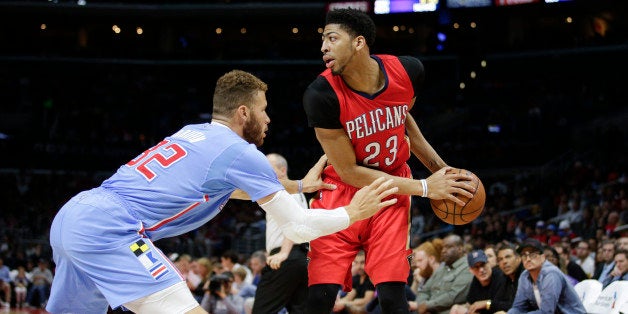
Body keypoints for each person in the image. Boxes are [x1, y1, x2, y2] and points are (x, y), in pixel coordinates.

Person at [46, 69, 400, 314]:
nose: (268, 119)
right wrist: (353, 212)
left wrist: (298, 186)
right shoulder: (242, 152)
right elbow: (297, 227)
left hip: (76, 213)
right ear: (243, 112)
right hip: (112, 228)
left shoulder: (193, 133)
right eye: (263, 111)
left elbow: (227, 190)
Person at [302, 8, 476, 313]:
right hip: (341, 191)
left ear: (358, 43)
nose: (323, 47)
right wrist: (424, 186)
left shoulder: (408, 71)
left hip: (392, 191)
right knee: (320, 296)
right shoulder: (321, 94)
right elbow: (349, 171)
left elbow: (402, 120)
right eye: (323, 40)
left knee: (393, 293)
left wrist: (441, 171)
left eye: (332, 38)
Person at [251, 153, 310, 314]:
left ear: (282, 170)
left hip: (287, 257)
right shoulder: (294, 192)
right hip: (300, 257)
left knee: (262, 311)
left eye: (267, 167)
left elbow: (294, 222)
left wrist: (284, 252)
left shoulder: (285, 191)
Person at [507, 238, 585, 314]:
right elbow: (518, 307)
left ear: (543, 257)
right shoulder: (524, 276)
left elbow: (547, 312)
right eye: (524, 255)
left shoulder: (551, 274)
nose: (528, 259)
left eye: (533, 255)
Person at [412, 234, 473, 314]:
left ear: (460, 249)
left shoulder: (467, 267)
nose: (443, 250)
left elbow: (454, 296)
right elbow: (425, 291)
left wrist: (427, 306)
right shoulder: (443, 266)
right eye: (443, 247)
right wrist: (422, 306)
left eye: (448, 247)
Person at [450, 250, 506, 314]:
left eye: (483, 265)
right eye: (476, 267)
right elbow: (470, 303)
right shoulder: (476, 279)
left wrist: (486, 303)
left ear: (488, 263)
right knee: (456, 308)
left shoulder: (500, 277)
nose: (481, 270)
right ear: (471, 270)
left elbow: (503, 305)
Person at [491, 243, 523, 312]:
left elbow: (518, 305)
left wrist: (487, 303)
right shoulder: (504, 277)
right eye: (500, 259)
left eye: (508, 257)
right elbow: (497, 301)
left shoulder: (525, 275)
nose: (504, 262)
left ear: (519, 258)